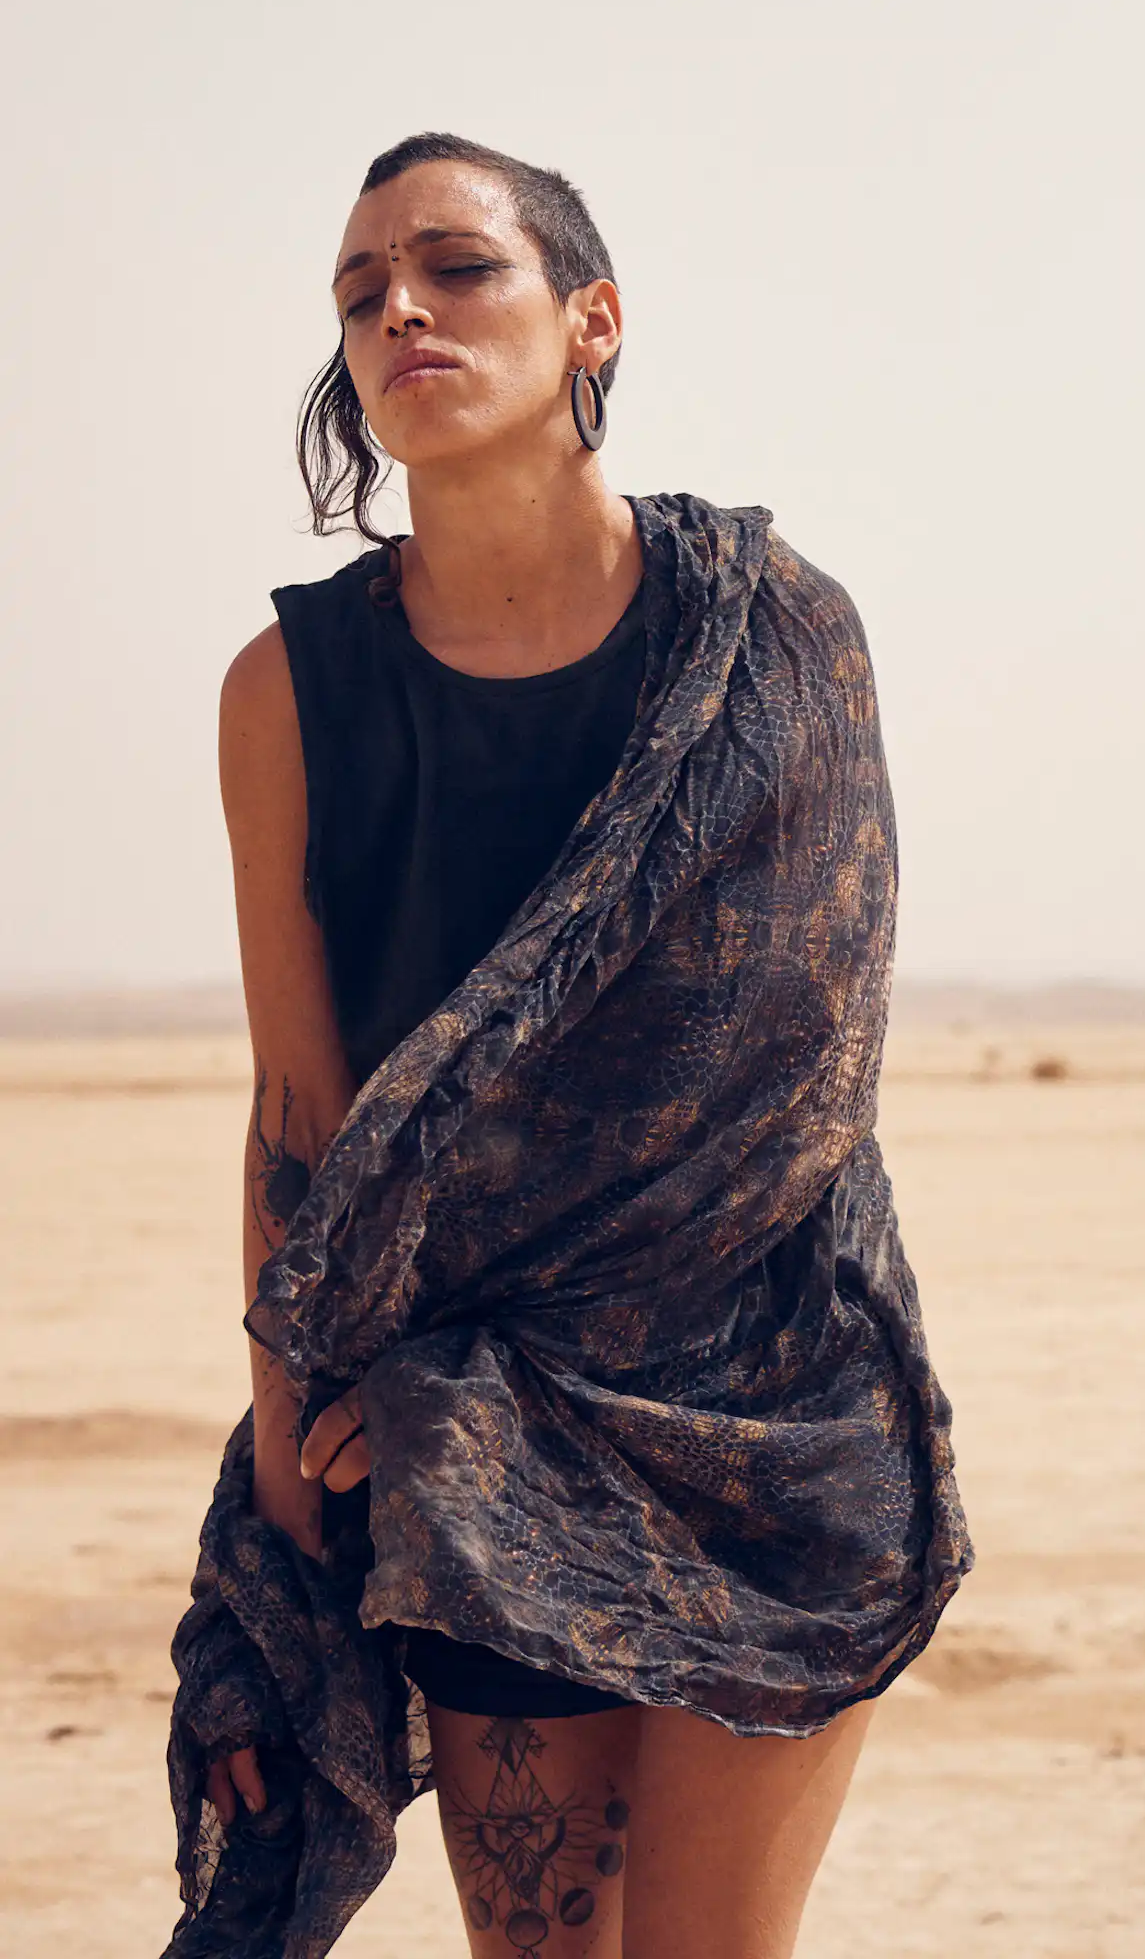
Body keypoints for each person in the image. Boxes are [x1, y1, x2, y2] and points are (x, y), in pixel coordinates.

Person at [164, 134, 968, 1959]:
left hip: (768, 1418)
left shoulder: (773, 637)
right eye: (364, 294)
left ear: (591, 316)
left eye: (457, 270)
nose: (402, 315)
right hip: (464, 1444)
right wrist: (299, 1463)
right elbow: (301, 1109)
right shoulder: (290, 693)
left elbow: (806, 1077)